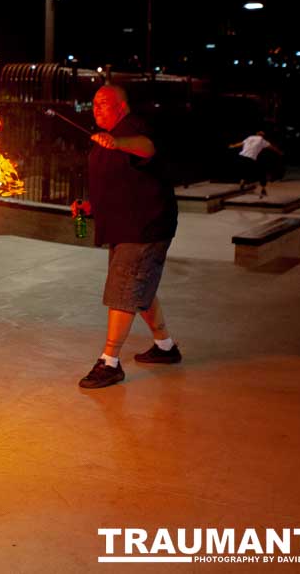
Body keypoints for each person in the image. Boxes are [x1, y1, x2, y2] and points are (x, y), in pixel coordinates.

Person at [74, 85, 182, 389]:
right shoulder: (109, 137)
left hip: (144, 226)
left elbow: (147, 147)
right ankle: (165, 346)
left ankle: (110, 362)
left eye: (103, 104)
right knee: (139, 287)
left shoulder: (133, 129)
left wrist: (118, 142)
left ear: (121, 106)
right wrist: (90, 206)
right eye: (94, 103)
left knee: (124, 287)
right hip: (126, 226)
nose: (96, 109)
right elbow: (120, 184)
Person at [229, 130, 283, 197]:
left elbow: (240, 144)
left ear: (256, 134)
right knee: (261, 172)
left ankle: (243, 180)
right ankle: (263, 188)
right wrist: (279, 152)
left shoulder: (250, 137)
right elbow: (273, 148)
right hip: (250, 158)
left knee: (246, 169)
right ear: (263, 136)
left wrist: (233, 146)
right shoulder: (263, 141)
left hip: (241, 157)